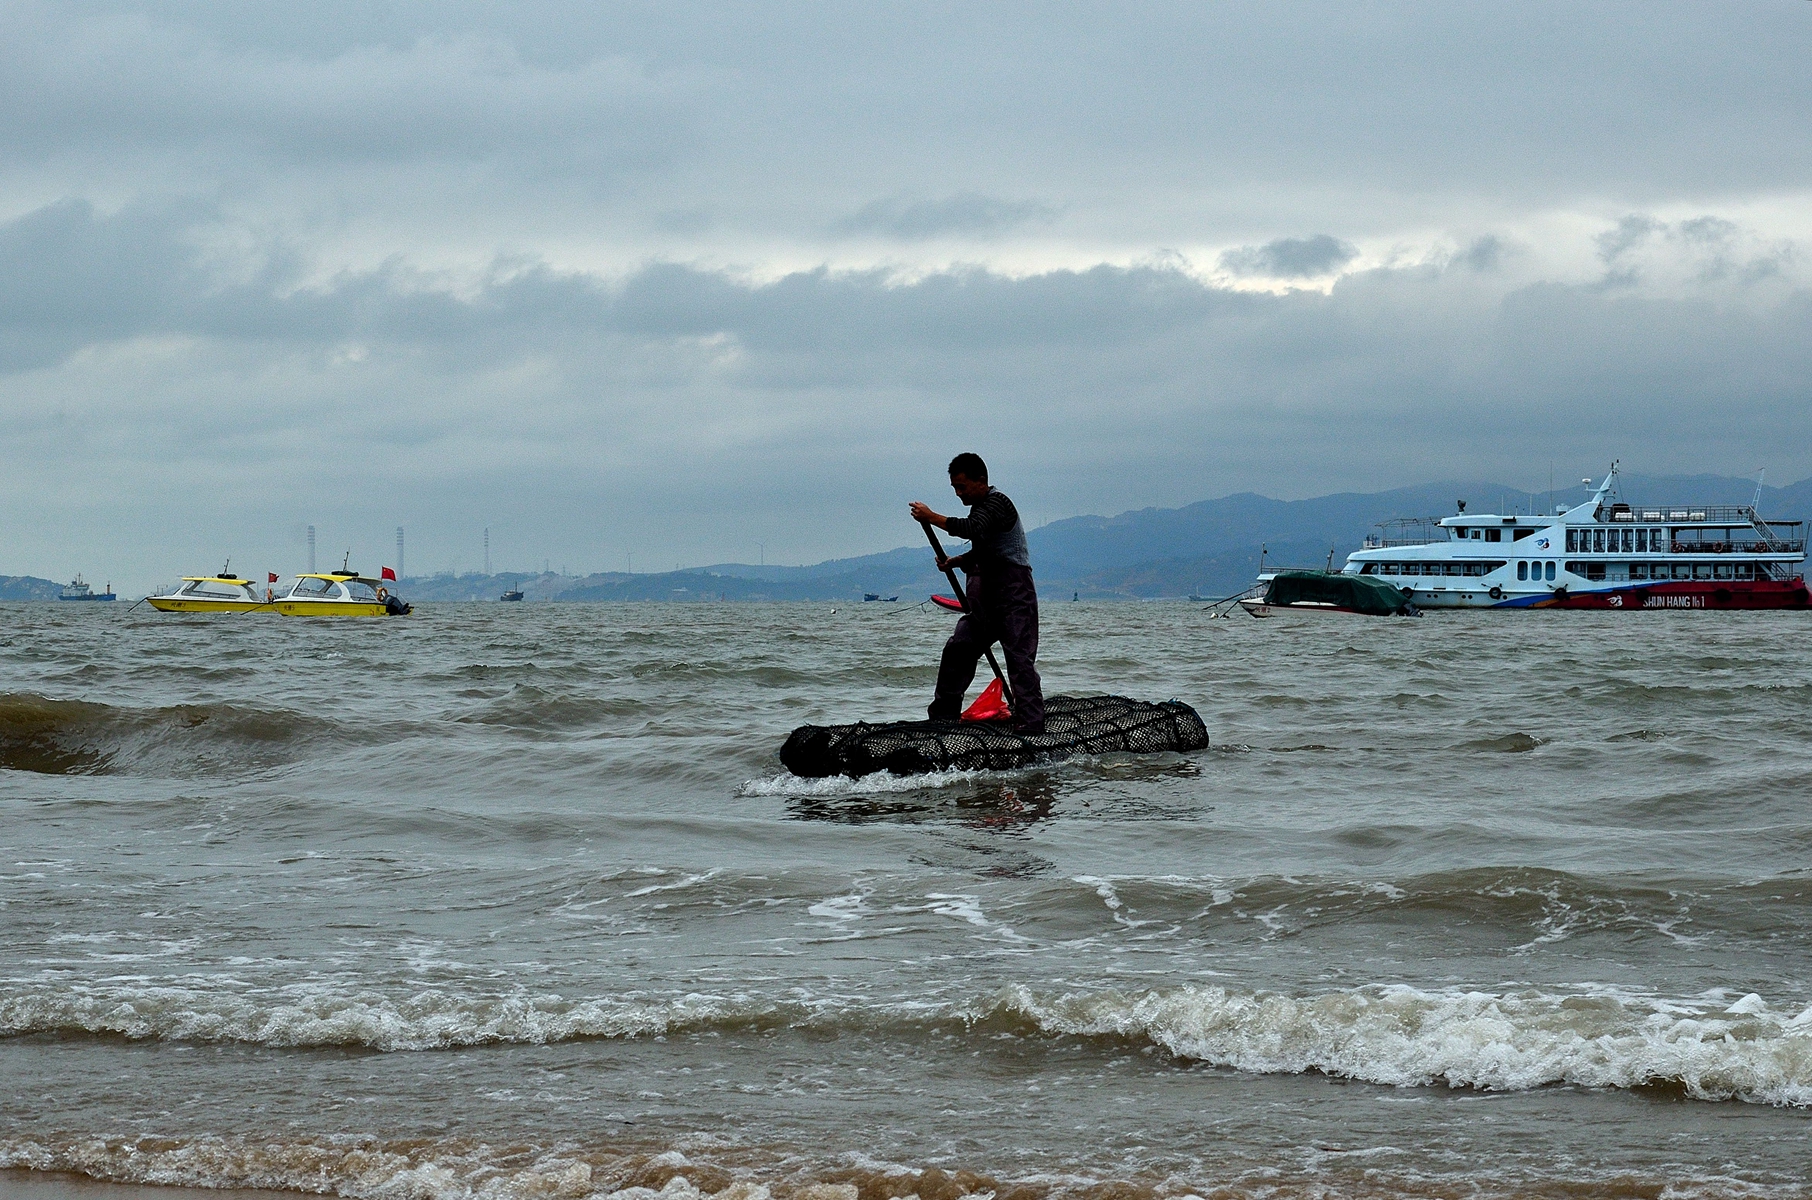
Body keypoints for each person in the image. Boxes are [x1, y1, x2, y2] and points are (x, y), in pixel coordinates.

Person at [909, 453, 1045, 733]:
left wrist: (932, 516)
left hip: (1014, 597)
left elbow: (971, 529)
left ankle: (1031, 723)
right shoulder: (980, 507)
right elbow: (983, 552)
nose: (959, 494)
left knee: (1019, 659)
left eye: (962, 487)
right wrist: (956, 562)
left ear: (981, 481)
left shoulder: (998, 504)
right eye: (954, 489)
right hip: (986, 601)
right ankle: (943, 716)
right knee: (959, 648)